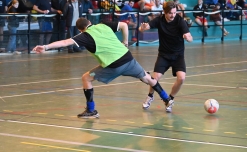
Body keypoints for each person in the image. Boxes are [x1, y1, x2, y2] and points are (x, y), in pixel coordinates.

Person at [33, 17, 174, 118]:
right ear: (90, 22)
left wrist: (45, 46)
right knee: (148, 78)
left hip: (114, 65)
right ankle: (167, 98)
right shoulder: (103, 25)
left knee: (86, 78)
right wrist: (125, 41)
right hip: (128, 58)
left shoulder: (84, 36)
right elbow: (124, 25)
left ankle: (91, 110)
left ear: (80, 30)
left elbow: (65, 42)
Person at [139, 0, 193, 112]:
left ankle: (170, 99)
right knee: (155, 78)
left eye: (174, 12)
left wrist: (188, 38)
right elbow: (144, 27)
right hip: (164, 55)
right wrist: (143, 27)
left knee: (181, 78)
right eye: (170, 13)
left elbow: (189, 36)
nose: (173, 15)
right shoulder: (159, 20)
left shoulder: (180, 21)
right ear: (164, 12)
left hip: (178, 55)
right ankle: (150, 96)